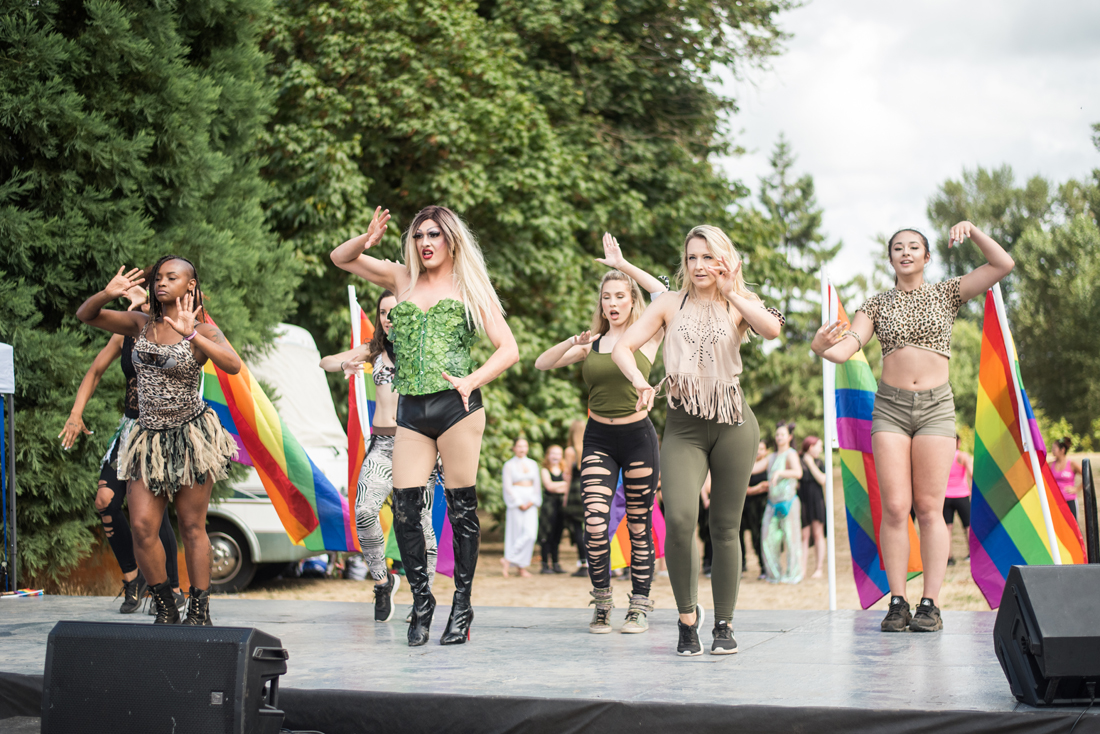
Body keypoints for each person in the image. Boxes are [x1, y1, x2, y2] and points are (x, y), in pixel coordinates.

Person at [812, 221, 1014, 633]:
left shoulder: (947, 292)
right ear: (890, 259)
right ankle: (898, 600)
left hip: (936, 408)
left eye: (914, 247)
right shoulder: (876, 304)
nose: (906, 252)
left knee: (928, 507)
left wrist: (973, 231)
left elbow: (1002, 263)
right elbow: (848, 348)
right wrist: (822, 348)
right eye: (898, 248)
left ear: (926, 257)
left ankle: (930, 604)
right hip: (890, 409)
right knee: (894, 507)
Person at [331, 205, 518, 646]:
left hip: (458, 409)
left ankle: (463, 605)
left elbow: (507, 349)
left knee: (461, 509)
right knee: (406, 508)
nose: (425, 243)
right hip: (410, 411)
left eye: (434, 234)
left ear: (451, 239)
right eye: (418, 236)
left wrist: (472, 381)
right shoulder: (402, 279)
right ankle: (421, 601)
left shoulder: (470, 287)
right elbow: (341, 258)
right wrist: (366, 239)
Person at [612, 224, 783, 656]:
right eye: (692, 258)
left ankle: (724, 624)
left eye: (709, 256)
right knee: (682, 520)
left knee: (725, 526)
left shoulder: (740, 302)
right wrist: (639, 380)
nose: (700, 265)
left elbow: (772, 330)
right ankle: (687, 619)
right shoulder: (670, 303)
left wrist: (733, 292)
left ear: (725, 259)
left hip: (734, 422)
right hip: (684, 425)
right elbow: (623, 348)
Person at [76, 258, 242, 625]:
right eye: (158, 278)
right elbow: (86, 315)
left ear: (190, 284)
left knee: (191, 527)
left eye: (172, 277)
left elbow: (233, 365)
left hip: (190, 438)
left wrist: (191, 335)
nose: (161, 283)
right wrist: (107, 293)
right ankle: (166, 604)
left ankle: (200, 608)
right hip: (146, 438)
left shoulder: (202, 331)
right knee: (142, 527)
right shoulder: (138, 324)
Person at [535, 233, 667, 634]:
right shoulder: (592, 342)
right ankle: (602, 603)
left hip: (638, 438)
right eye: (606, 297)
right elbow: (542, 364)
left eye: (620, 296)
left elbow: (663, 291)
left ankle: (639, 606)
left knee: (639, 523)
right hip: (598, 439)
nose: (612, 304)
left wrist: (623, 266)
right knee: (594, 523)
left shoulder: (648, 334)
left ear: (631, 301)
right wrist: (571, 344)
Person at [318, 290, 442, 623]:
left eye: (394, 312)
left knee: (422, 524)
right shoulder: (374, 350)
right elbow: (325, 361)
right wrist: (344, 363)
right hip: (384, 445)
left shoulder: (424, 350)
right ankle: (381, 582)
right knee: (363, 510)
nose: (388, 317)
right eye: (383, 312)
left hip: (419, 446)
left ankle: (422, 597)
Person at [62, 284, 184, 614]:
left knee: (155, 516)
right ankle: (133, 577)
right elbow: (96, 370)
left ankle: (171, 587)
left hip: (162, 431)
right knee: (105, 500)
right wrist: (75, 413)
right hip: (130, 428)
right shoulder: (128, 329)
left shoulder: (175, 328)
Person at [761, 423, 803, 584]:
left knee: (792, 539)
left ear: (789, 437)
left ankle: (793, 574)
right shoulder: (771, 457)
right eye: (777, 434)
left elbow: (798, 472)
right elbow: (755, 467)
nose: (779, 437)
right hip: (772, 503)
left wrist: (780, 473)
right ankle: (774, 574)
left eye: (782, 434)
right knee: (767, 538)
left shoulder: (791, 454)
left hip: (789, 502)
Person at [502, 438, 542, 578]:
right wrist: (518, 502)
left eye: (524, 446)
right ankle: (519, 567)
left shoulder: (533, 464)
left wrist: (533, 500)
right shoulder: (509, 465)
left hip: (530, 498)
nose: (522, 449)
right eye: (519, 446)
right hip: (516, 499)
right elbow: (507, 486)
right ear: (514, 448)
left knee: (530, 534)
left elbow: (537, 484)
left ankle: (509, 558)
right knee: (517, 532)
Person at [798, 436, 828, 579]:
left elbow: (822, 479)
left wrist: (810, 464)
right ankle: (802, 568)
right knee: (804, 535)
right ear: (811, 447)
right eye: (819, 446)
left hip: (817, 501)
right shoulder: (798, 460)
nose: (821, 449)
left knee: (818, 534)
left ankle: (819, 568)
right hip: (803, 501)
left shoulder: (819, 462)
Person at [562, 420, 589, 577]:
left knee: (578, 529)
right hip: (589, 488)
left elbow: (568, 476)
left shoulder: (570, 451)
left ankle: (583, 562)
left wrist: (565, 498)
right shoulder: (591, 448)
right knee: (591, 528)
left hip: (574, 490)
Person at [741, 440, 769, 579]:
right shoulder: (746, 465)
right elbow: (742, 488)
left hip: (765, 505)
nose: (759, 451)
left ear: (766, 451)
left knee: (765, 536)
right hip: (749, 506)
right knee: (754, 536)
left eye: (762, 448)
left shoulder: (769, 465)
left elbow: (771, 484)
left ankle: (767, 567)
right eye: (756, 448)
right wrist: (757, 488)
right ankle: (751, 565)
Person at [538, 444, 569, 574]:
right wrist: (564, 484)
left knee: (558, 534)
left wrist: (559, 486)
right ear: (548, 455)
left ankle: (556, 563)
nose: (555, 456)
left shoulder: (565, 469)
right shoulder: (545, 470)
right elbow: (549, 486)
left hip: (561, 505)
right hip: (549, 506)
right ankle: (545, 564)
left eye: (558, 454)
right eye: (553, 453)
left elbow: (567, 486)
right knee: (547, 534)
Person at [944, 435, 973, 565]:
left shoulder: (942, 457)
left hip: (946, 496)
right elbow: (972, 474)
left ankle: (948, 558)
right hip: (962, 496)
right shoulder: (963, 457)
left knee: (947, 528)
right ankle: (971, 555)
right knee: (968, 527)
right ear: (959, 442)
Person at [1049, 437, 1082, 521]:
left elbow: (1087, 476)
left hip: (1069, 500)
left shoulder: (1072, 464)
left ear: (1062, 450)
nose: (1052, 450)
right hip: (1055, 502)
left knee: (1073, 527)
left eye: (1054, 448)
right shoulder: (1050, 465)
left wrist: (1076, 489)